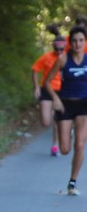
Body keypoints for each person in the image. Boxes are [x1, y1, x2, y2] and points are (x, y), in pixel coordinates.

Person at [44, 25, 87, 195]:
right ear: (70, 42)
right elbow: (47, 81)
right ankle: (66, 132)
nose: (77, 44)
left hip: (84, 105)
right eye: (74, 40)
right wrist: (55, 99)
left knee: (80, 144)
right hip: (65, 105)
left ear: (84, 42)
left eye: (81, 40)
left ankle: (72, 182)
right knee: (64, 149)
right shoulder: (63, 59)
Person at [31, 35, 66, 156]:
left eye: (62, 49)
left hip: (61, 91)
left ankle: (55, 144)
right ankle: (52, 114)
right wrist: (36, 87)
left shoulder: (67, 57)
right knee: (46, 122)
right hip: (46, 88)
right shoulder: (47, 57)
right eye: (57, 49)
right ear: (53, 47)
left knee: (58, 119)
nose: (59, 51)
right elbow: (35, 70)